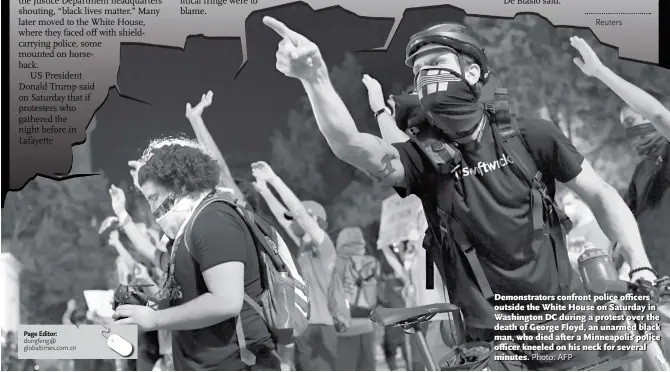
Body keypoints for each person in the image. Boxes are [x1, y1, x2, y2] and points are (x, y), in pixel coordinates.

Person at [264, 17, 657, 369]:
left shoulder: (531, 135)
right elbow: (351, 145)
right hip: (490, 344)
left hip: (566, 327)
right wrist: (314, 77)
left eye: (436, 63)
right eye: (418, 70)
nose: (425, 74)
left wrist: (640, 265)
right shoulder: (422, 161)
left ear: (472, 72)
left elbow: (603, 195)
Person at [111, 137, 278, 371]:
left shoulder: (213, 220)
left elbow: (226, 301)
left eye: (154, 197)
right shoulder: (191, 227)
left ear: (178, 184)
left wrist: (154, 319)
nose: (153, 209)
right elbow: (182, 285)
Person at [570, 36, 670, 277]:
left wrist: (601, 72)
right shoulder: (642, 171)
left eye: (634, 121)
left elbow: (657, 114)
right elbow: (621, 224)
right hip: (655, 287)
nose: (631, 132)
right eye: (626, 126)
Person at [251, 160, 339, 371]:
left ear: (315, 220)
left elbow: (297, 213)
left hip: (321, 328)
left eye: (301, 217)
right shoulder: (304, 247)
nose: (294, 221)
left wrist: (273, 179)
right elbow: (286, 217)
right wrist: (264, 190)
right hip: (305, 326)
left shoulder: (324, 244)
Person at [333, 227, 379, 371]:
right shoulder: (371, 262)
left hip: (343, 328)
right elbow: (372, 300)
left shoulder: (333, 263)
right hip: (367, 326)